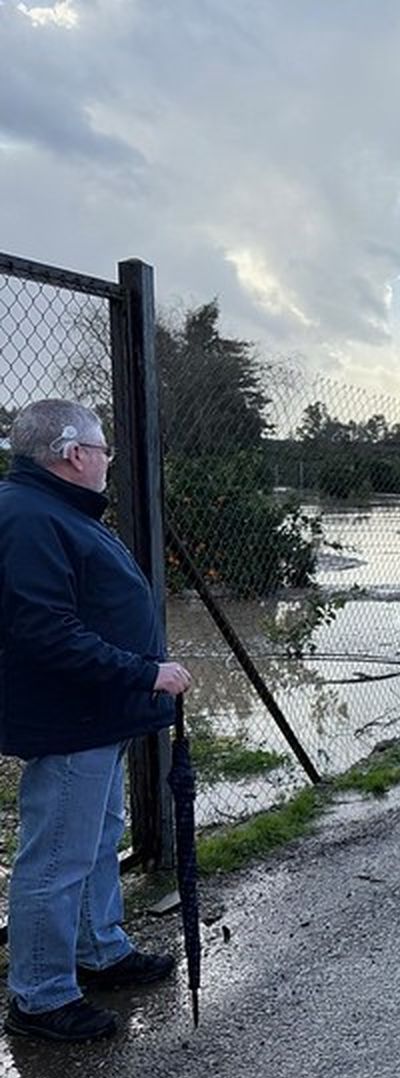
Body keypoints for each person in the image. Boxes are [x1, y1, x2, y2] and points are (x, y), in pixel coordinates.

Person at [1, 399, 191, 1043]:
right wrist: (143, 673)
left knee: (95, 840)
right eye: (103, 448)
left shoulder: (58, 510)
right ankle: (41, 996)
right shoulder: (28, 516)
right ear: (72, 453)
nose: (108, 459)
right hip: (70, 718)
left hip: (96, 717)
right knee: (56, 856)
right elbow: (45, 629)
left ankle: (99, 949)